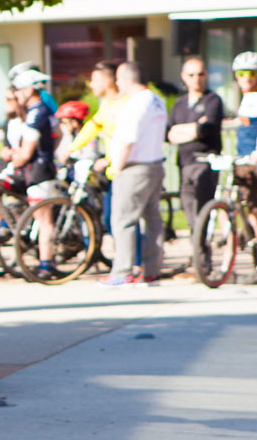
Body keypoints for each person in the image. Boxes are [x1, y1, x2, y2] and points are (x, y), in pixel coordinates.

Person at [102, 61, 168, 286]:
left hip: (134, 167)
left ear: (129, 80)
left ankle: (123, 271)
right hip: (154, 164)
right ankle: (151, 271)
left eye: (118, 79)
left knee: (123, 220)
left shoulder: (136, 103)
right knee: (152, 220)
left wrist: (117, 167)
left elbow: (128, 139)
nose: (117, 83)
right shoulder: (156, 100)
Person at [6, 69, 62, 280]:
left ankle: (46, 264)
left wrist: (15, 160)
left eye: (19, 90)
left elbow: (26, 152)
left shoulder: (36, 114)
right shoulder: (42, 110)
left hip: (38, 171)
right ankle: (46, 261)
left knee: (44, 219)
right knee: (42, 218)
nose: (17, 95)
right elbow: (58, 134)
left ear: (29, 90)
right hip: (41, 167)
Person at [168, 55, 224, 235]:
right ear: (183, 76)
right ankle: (197, 246)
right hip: (184, 162)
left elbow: (204, 130)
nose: (196, 79)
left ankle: (203, 251)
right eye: (191, 75)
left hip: (205, 162)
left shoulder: (213, 100)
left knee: (202, 209)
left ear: (206, 75)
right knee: (189, 210)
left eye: (200, 74)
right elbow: (168, 133)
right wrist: (193, 129)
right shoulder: (180, 103)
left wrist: (183, 131)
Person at [233, 52, 257, 160]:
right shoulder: (247, 97)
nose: (247, 78)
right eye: (241, 74)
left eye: (252, 73)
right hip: (244, 157)